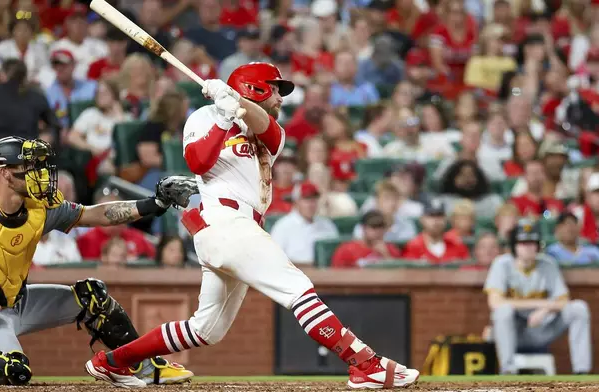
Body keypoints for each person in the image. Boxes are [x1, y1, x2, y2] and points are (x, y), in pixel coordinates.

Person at [87, 62, 420, 389]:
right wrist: (221, 115)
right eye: (275, 89)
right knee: (298, 290)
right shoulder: (203, 117)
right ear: (256, 87)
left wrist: (235, 103)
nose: (280, 98)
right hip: (223, 223)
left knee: (205, 330)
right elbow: (199, 163)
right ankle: (365, 365)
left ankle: (114, 362)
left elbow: (266, 127)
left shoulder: (271, 129)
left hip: (241, 228)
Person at [0, 136, 197, 386]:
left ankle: (145, 366)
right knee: (12, 371)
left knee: (92, 297)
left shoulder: (40, 207)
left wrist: (153, 204)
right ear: (5, 173)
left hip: (15, 302)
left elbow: (96, 214)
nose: (39, 173)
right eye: (29, 167)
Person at [484, 219, 592, 375]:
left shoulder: (548, 264)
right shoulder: (502, 264)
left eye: (532, 242)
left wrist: (545, 309)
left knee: (579, 308)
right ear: (514, 245)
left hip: (541, 328)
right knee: (503, 311)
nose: (528, 247)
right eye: (523, 243)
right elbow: (495, 302)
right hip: (514, 331)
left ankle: (581, 370)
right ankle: (507, 370)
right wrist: (543, 303)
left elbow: (563, 300)